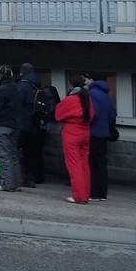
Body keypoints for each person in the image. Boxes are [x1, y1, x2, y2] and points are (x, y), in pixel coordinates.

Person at [56, 74, 93, 203]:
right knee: (84, 165)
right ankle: (85, 194)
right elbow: (91, 115)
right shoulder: (87, 99)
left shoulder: (70, 99)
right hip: (85, 132)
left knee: (74, 165)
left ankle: (78, 195)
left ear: (71, 85)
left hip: (71, 133)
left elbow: (58, 114)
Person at [0, 65, 23, 191]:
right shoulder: (17, 89)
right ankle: (16, 182)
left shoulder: (0, 90)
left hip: (2, 125)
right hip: (16, 125)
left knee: (4, 155)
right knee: (13, 154)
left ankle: (7, 183)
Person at [83, 72, 116, 201]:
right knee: (101, 163)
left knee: (91, 163)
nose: (85, 82)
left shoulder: (91, 94)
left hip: (93, 132)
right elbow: (112, 115)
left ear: (91, 80)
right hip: (104, 133)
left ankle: (94, 192)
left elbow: (92, 113)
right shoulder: (106, 95)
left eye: (86, 79)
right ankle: (102, 193)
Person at [17, 63, 42, 187]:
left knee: (16, 150)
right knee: (31, 152)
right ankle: (30, 178)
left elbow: (16, 103)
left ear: (22, 72)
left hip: (21, 122)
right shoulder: (36, 84)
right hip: (33, 123)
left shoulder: (22, 85)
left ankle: (18, 177)